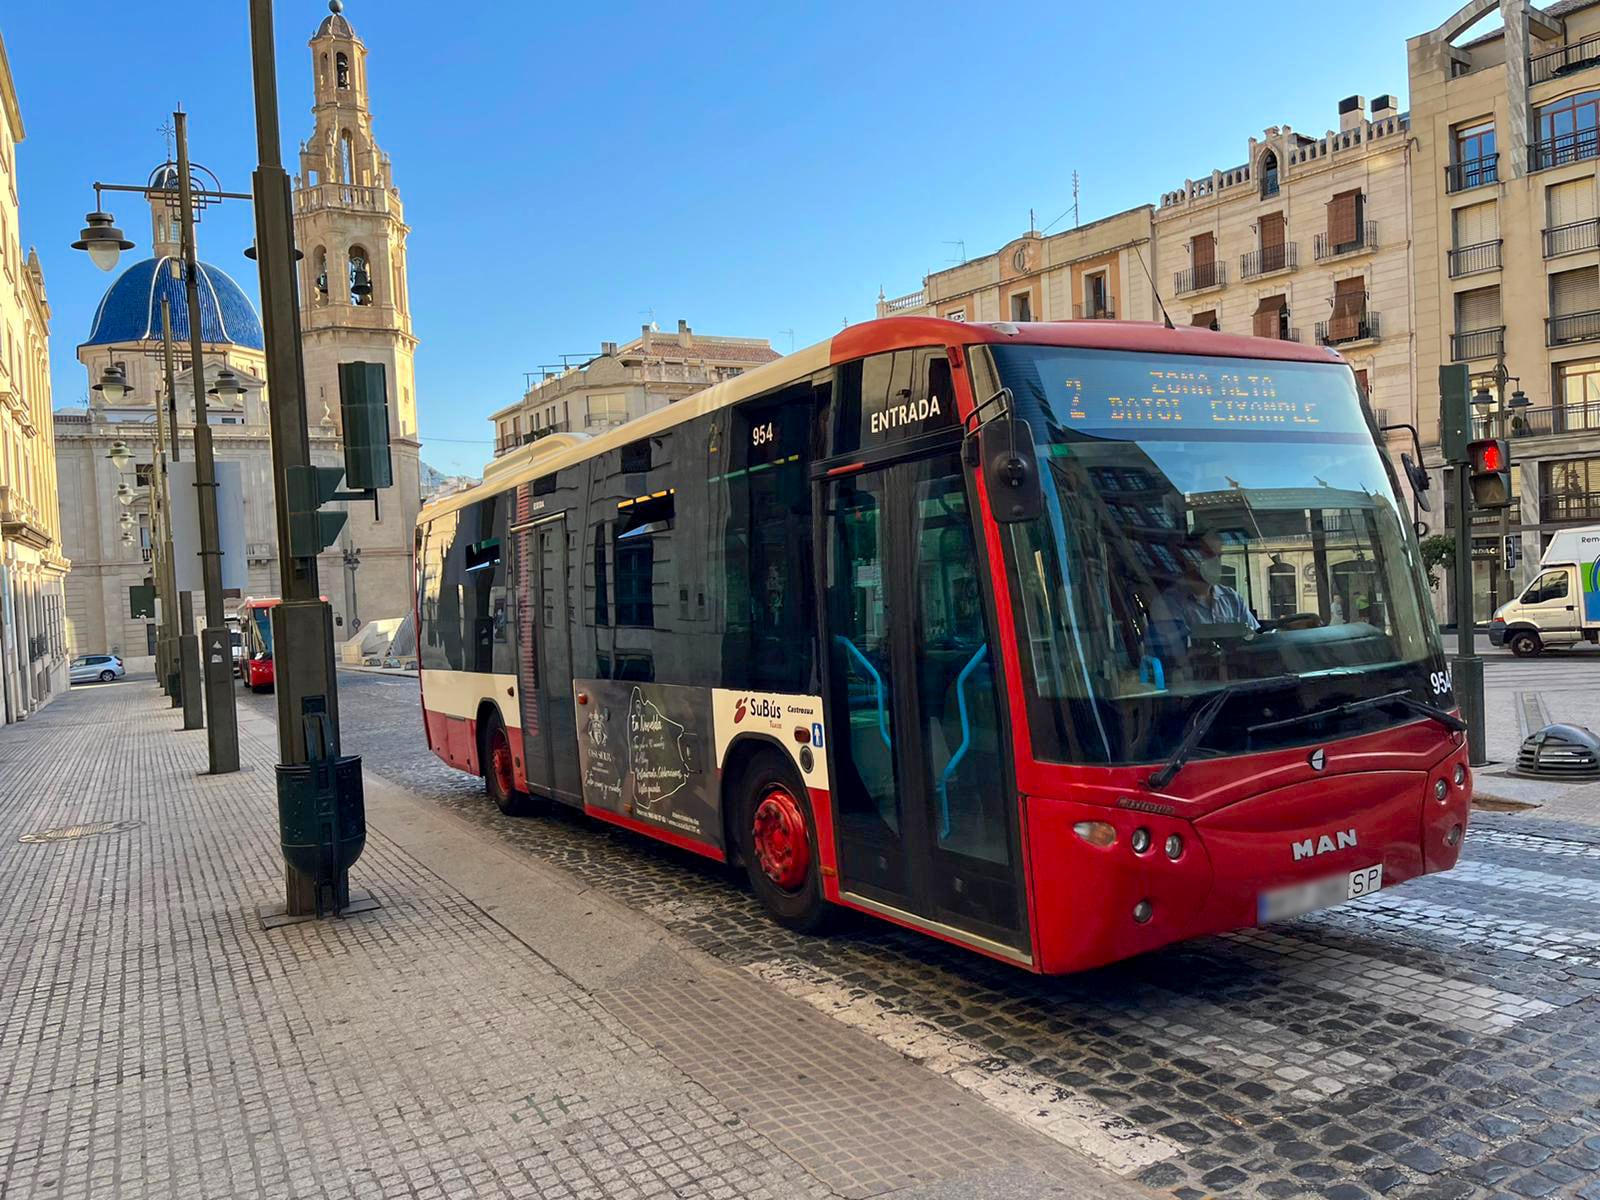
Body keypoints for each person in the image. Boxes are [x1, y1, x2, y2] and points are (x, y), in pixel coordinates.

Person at [1145, 529, 1258, 664]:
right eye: (1209, 555)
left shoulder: (1232, 598)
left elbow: (1254, 640)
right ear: (1189, 558)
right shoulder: (1166, 605)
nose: (1216, 562)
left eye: (1219, 556)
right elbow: (1178, 659)